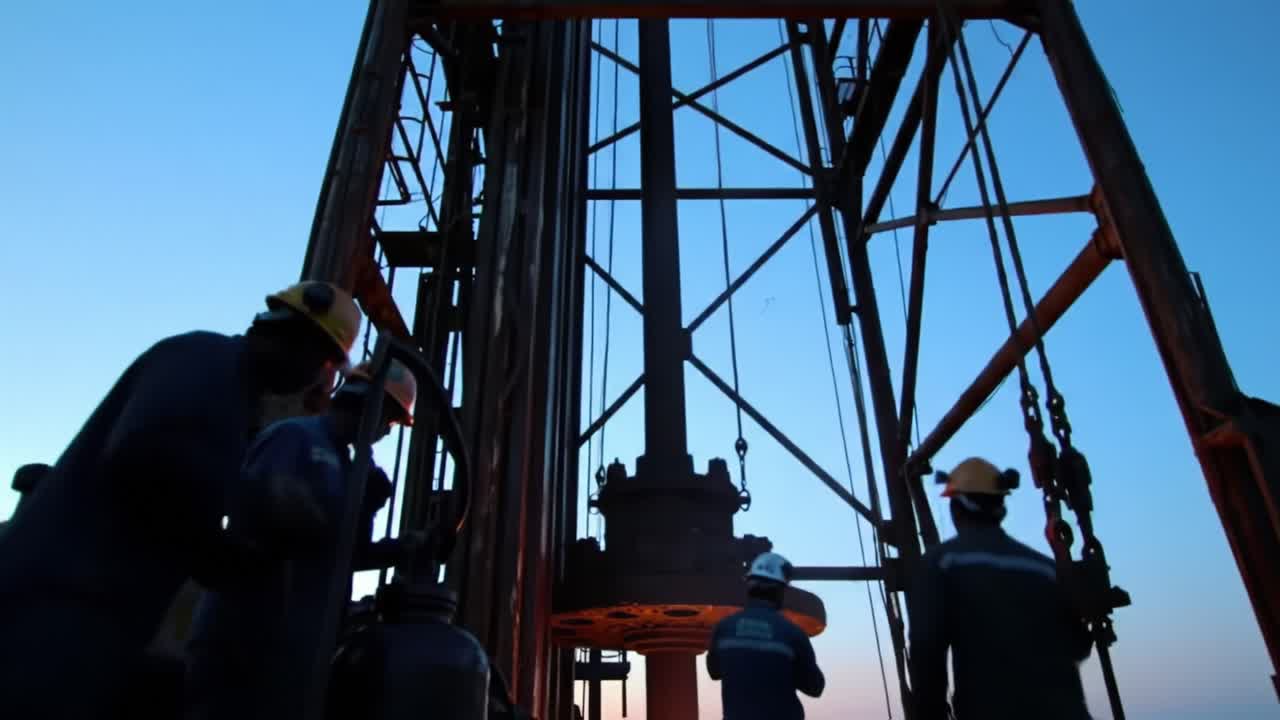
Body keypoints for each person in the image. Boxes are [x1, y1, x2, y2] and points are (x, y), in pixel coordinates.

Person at [0, 280, 361, 719]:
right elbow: (148, 454)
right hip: (60, 608)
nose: (317, 379)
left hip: (101, 614)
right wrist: (213, 551)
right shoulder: (207, 361)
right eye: (323, 364)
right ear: (301, 345)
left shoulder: (234, 397)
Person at [184, 358, 417, 720]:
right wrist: (354, 506)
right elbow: (279, 511)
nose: (386, 433)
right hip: (250, 633)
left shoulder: (346, 466)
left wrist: (399, 546)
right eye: (388, 420)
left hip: (302, 644)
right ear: (366, 403)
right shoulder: (296, 438)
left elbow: (342, 556)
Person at [907, 457, 1094, 720]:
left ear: (956, 509)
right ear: (1001, 507)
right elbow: (1078, 646)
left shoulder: (942, 563)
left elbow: (927, 650)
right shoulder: (1045, 568)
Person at [706, 551, 825, 720]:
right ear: (780, 591)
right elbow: (815, 687)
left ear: (749, 586)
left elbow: (714, 672)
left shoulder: (724, 628)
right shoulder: (792, 633)